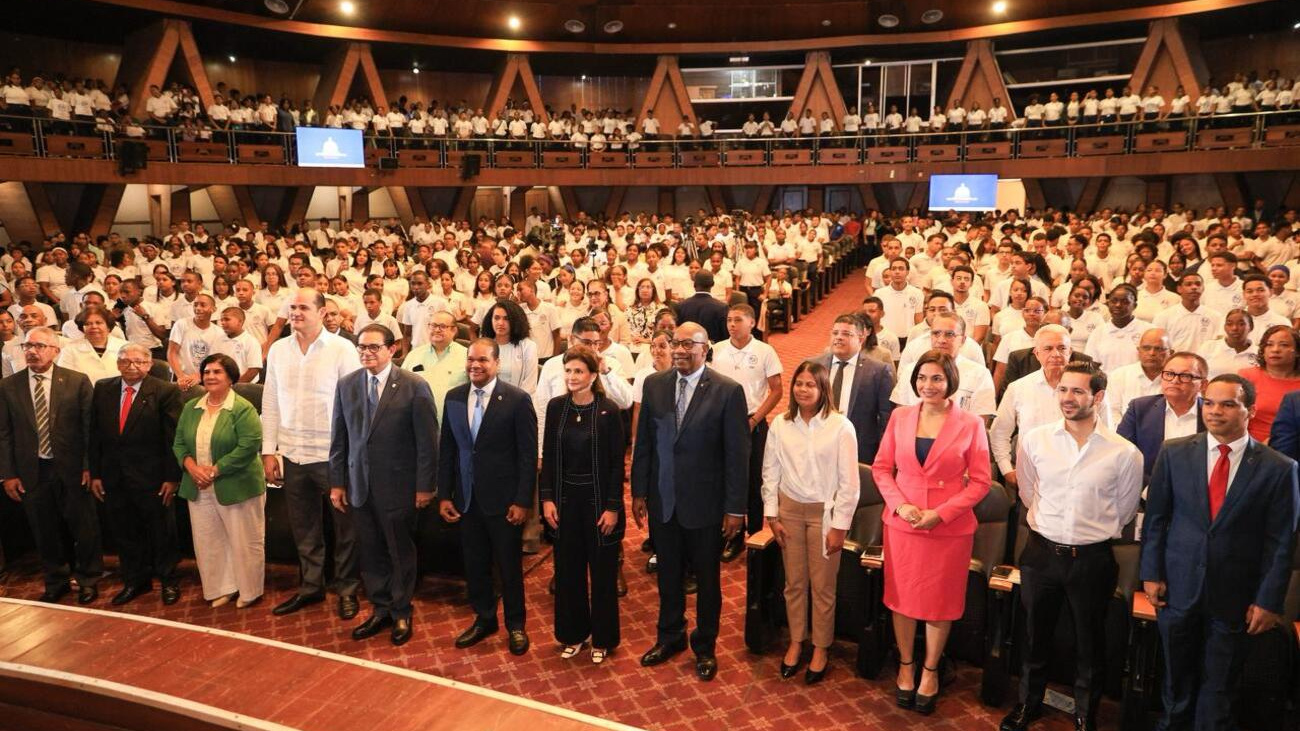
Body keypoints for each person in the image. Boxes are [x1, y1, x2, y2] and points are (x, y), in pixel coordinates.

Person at [1141, 374, 1299, 731]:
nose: (1214, 411)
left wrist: (1269, 601)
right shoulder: (1174, 452)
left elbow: (1280, 543)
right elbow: (1156, 519)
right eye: (1209, 403)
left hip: (1235, 597)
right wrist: (1151, 572)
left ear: (1250, 410)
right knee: (1175, 684)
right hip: (1177, 588)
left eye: (1228, 404)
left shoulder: (1279, 468)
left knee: (1219, 689)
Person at [1001, 363, 1143, 731]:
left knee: (1090, 642)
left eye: (1078, 391)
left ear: (1098, 396)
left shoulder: (1125, 453)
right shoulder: (1035, 440)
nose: (1067, 397)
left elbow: (1125, 510)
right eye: (1063, 389)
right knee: (1034, 636)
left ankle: (1085, 715)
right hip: (1041, 555)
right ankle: (1027, 705)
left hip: (1092, 559)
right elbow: (1028, 492)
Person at [874, 351, 992, 715]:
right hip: (904, 524)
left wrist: (940, 514)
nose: (928, 385)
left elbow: (981, 482)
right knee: (902, 598)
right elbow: (881, 469)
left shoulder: (970, 423)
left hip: (948, 527)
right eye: (922, 378)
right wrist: (900, 506)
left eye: (937, 378)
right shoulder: (900, 417)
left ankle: (930, 669)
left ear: (950, 381)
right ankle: (906, 665)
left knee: (940, 601)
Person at [631, 322, 749, 682]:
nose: (680, 350)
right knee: (668, 575)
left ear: (705, 347)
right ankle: (670, 636)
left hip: (706, 506)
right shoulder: (655, 384)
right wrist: (639, 491)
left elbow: (737, 456)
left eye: (688, 344)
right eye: (675, 343)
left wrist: (735, 508)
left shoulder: (728, 391)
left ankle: (705, 646)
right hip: (664, 501)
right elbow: (644, 442)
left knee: (708, 582)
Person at [329, 324, 438, 647]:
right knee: (371, 551)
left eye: (374, 347)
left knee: (399, 551)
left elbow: (428, 443)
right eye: (362, 347)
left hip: (399, 486)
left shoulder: (414, 385)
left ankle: (401, 611)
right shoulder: (347, 384)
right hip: (359, 485)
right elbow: (340, 438)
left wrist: (425, 487)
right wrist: (337, 483)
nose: (366, 353)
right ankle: (380, 608)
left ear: (392, 349)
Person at [262, 288, 363, 619]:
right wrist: (269, 450)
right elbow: (271, 400)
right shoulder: (279, 350)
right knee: (304, 527)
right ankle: (311, 587)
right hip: (293, 454)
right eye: (292, 307)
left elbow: (355, 406)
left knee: (346, 528)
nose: (296, 313)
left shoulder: (342, 349)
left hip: (332, 456)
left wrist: (350, 455)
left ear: (322, 313)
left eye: (303, 307)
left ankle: (347, 589)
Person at [438, 338, 538, 656]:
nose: (475, 365)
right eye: (471, 359)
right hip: (466, 499)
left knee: (508, 567)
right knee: (475, 564)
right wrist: (445, 495)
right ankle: (484, 619)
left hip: (505, 502)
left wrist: (522, 501)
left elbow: (527, 456)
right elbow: (448, 450)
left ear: (497, 363)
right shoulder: (454, 397)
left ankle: (516, 625)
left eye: (482, 360)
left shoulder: (517, 400)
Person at [764, 360, 860, 684]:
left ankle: (821, 647)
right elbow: (770, 471)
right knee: (793, 583)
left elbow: (850, 484)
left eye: (810, 384)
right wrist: (772, 514)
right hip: (790, 510)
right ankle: (796, 640)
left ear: (823, 389)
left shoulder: (841, 427)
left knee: (822, 587)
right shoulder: (781, 424)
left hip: (825, 514)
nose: (803, 390)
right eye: (798, 383)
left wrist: (840, 527)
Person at [0, 326, 102, 604]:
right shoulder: (8, 386)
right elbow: (4, 433)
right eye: (28, 346)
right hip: (32, 470)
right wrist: (8, 474)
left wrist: (89, 466)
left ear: (55, 350)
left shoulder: (77, 381)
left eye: (40, 346)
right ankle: (56, 580)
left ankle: (88, 579)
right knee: (44, 529)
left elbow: (89, 429)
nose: (32, 351)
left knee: (84, 527)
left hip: (73, 469)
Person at [540, 346, 627, 665]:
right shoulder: (556, 408)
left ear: (592, 375)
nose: (572, 376)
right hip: (564, 502)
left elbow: (617, 464)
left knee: (603, 574)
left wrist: (613, 507)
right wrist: (547, 498)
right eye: (568, 370)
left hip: (599, 503)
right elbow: (549, 456)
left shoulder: (608, 410)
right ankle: (572, 634)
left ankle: (603, 638)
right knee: (567, 572)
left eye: (578, 371)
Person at [88, 343, 184, 606]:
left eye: (138, 362)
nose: (132, 366)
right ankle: (135, 581)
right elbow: (94, 434)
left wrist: (172, 477)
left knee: (162, 532)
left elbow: (173, 438)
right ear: (118, 364)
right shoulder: (103, 388)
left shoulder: (165, 391)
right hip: (114, 476)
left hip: (154, 478)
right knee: (125, 532)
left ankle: (168, 581)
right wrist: (95, 473)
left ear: (149, 364)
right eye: (125, 361)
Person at [173, 353, 267, 609]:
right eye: (207, 372)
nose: (211, 376)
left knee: (244, 541)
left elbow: (248, 446)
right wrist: (193, 468)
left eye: (217, 372)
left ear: (230, 377)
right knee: (209, 541)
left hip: (238, 485)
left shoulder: (243, 408)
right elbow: (179, 443)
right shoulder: (191, 407)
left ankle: (249, 590)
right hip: (198, 485)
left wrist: (214, 471)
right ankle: (222, 588)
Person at [710, 304, 783, 560]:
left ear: (751, 322)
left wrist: (755, 420)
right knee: (726, 477)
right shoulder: (717, 349)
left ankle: (755, 535)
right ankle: (732, 535)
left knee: (753, 479)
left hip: (753, 420)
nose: (732, 324)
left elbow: (777, 390)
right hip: (720, 422)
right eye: (729, 320)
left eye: (738, 320)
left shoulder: (764, 351)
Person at [811, 314, 895, 463]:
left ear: (861, 338)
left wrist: (884, 456)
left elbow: (886, 418)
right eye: (835, 333)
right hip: (817, 445)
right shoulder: (813, 366)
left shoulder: (878, 371)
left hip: (859, 449)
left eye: (846, 334)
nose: (838, 337)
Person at [1117, 352, 1207, 485]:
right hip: (1147, 490)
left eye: (1185, 376)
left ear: (1203, 385)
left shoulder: (1212, 413)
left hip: (1200, 491)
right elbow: (1121, 454)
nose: (1175, 380)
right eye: (1169, 374)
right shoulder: (1140, 409)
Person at [402, 310, 468, 429]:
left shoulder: (467, 356)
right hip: (419, 424)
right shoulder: (414, 355)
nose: (437, 330)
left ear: (454, 330)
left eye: (442, 326)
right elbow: (401, 389)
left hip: (455, 424)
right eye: (433, 325)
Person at [1238, 324, 1300, 441]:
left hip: (1291, 445)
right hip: (1250, 444)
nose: (1275, 350)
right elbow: (1234, 418)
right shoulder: (1247, 376)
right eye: (1269, 345)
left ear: (1297, 351)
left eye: (1284, 345)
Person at [57, 305, 127, 384]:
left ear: (108, 326)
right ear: (82, 328)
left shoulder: (125, 347)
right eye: (88, 324)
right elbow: (63, 378)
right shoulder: (70, 349)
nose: (94, 326)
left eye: (98, 323)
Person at [482, 299, 539, 394]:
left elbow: (530, 386)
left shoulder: (528, 347)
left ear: (515, 321)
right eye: (496, 318)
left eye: (506, 319)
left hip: (517, 400)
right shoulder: (483, 345)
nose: (500, 323)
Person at [675, 271, 729, 343]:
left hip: (687, 348)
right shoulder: (722, 308)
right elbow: (725, 337)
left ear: (694, 284)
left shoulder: (681, 306)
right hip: (713, 348)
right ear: (712, 284)